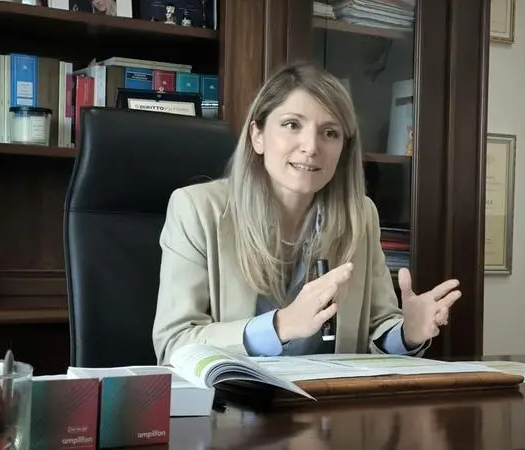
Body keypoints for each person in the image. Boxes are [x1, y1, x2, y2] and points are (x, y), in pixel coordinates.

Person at [152, 62, 461, 364]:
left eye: (330, 133)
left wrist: (406, 334)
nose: (311, 147)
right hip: (233, 396)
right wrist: (280, 326)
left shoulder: (361, 215)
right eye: (292, 125)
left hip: (328, 396)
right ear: (257, 136)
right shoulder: (197, 209)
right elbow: (175, 343)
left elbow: (375, 328)